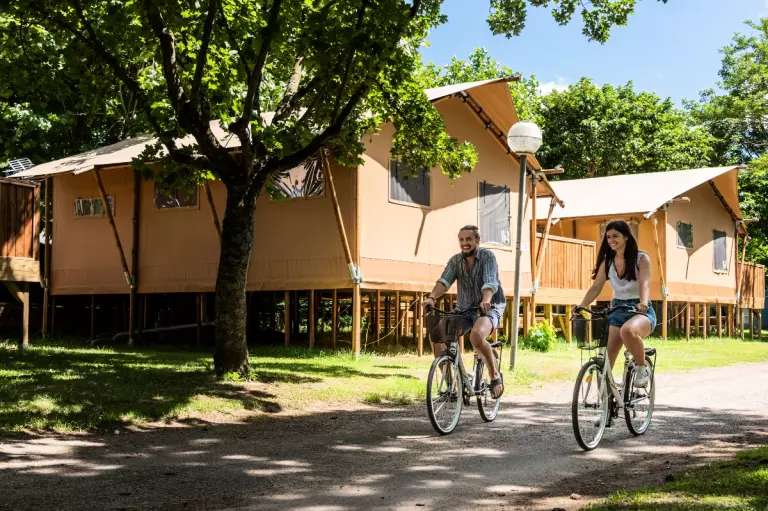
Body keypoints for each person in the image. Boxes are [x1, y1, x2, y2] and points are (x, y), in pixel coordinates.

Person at [424, 225, 506, 398]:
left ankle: (494, 375)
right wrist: (431, 297)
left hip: (489, 307)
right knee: (437, 336)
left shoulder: (487, 257)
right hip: (464, 309)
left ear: (477, 240)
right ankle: (451, 385)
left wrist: (486, 300)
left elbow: (490, 282)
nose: (464, 243)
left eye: (468, 239)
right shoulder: (456, 261)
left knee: (476, 336)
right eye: (461, 240)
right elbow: (444, 281)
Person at [576, 219, 656, 388]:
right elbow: (596, 287)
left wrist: (643, 302)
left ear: (626, 236)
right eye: (608, 237)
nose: (611, 240)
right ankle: (606, 399)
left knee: (628, 331)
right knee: (606, 361)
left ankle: (642, 367)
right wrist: (582, 305)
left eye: (615, 236)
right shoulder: (608, 262)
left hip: (639, 310)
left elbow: (644, 283)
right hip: (617, 309)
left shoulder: (641, 258)